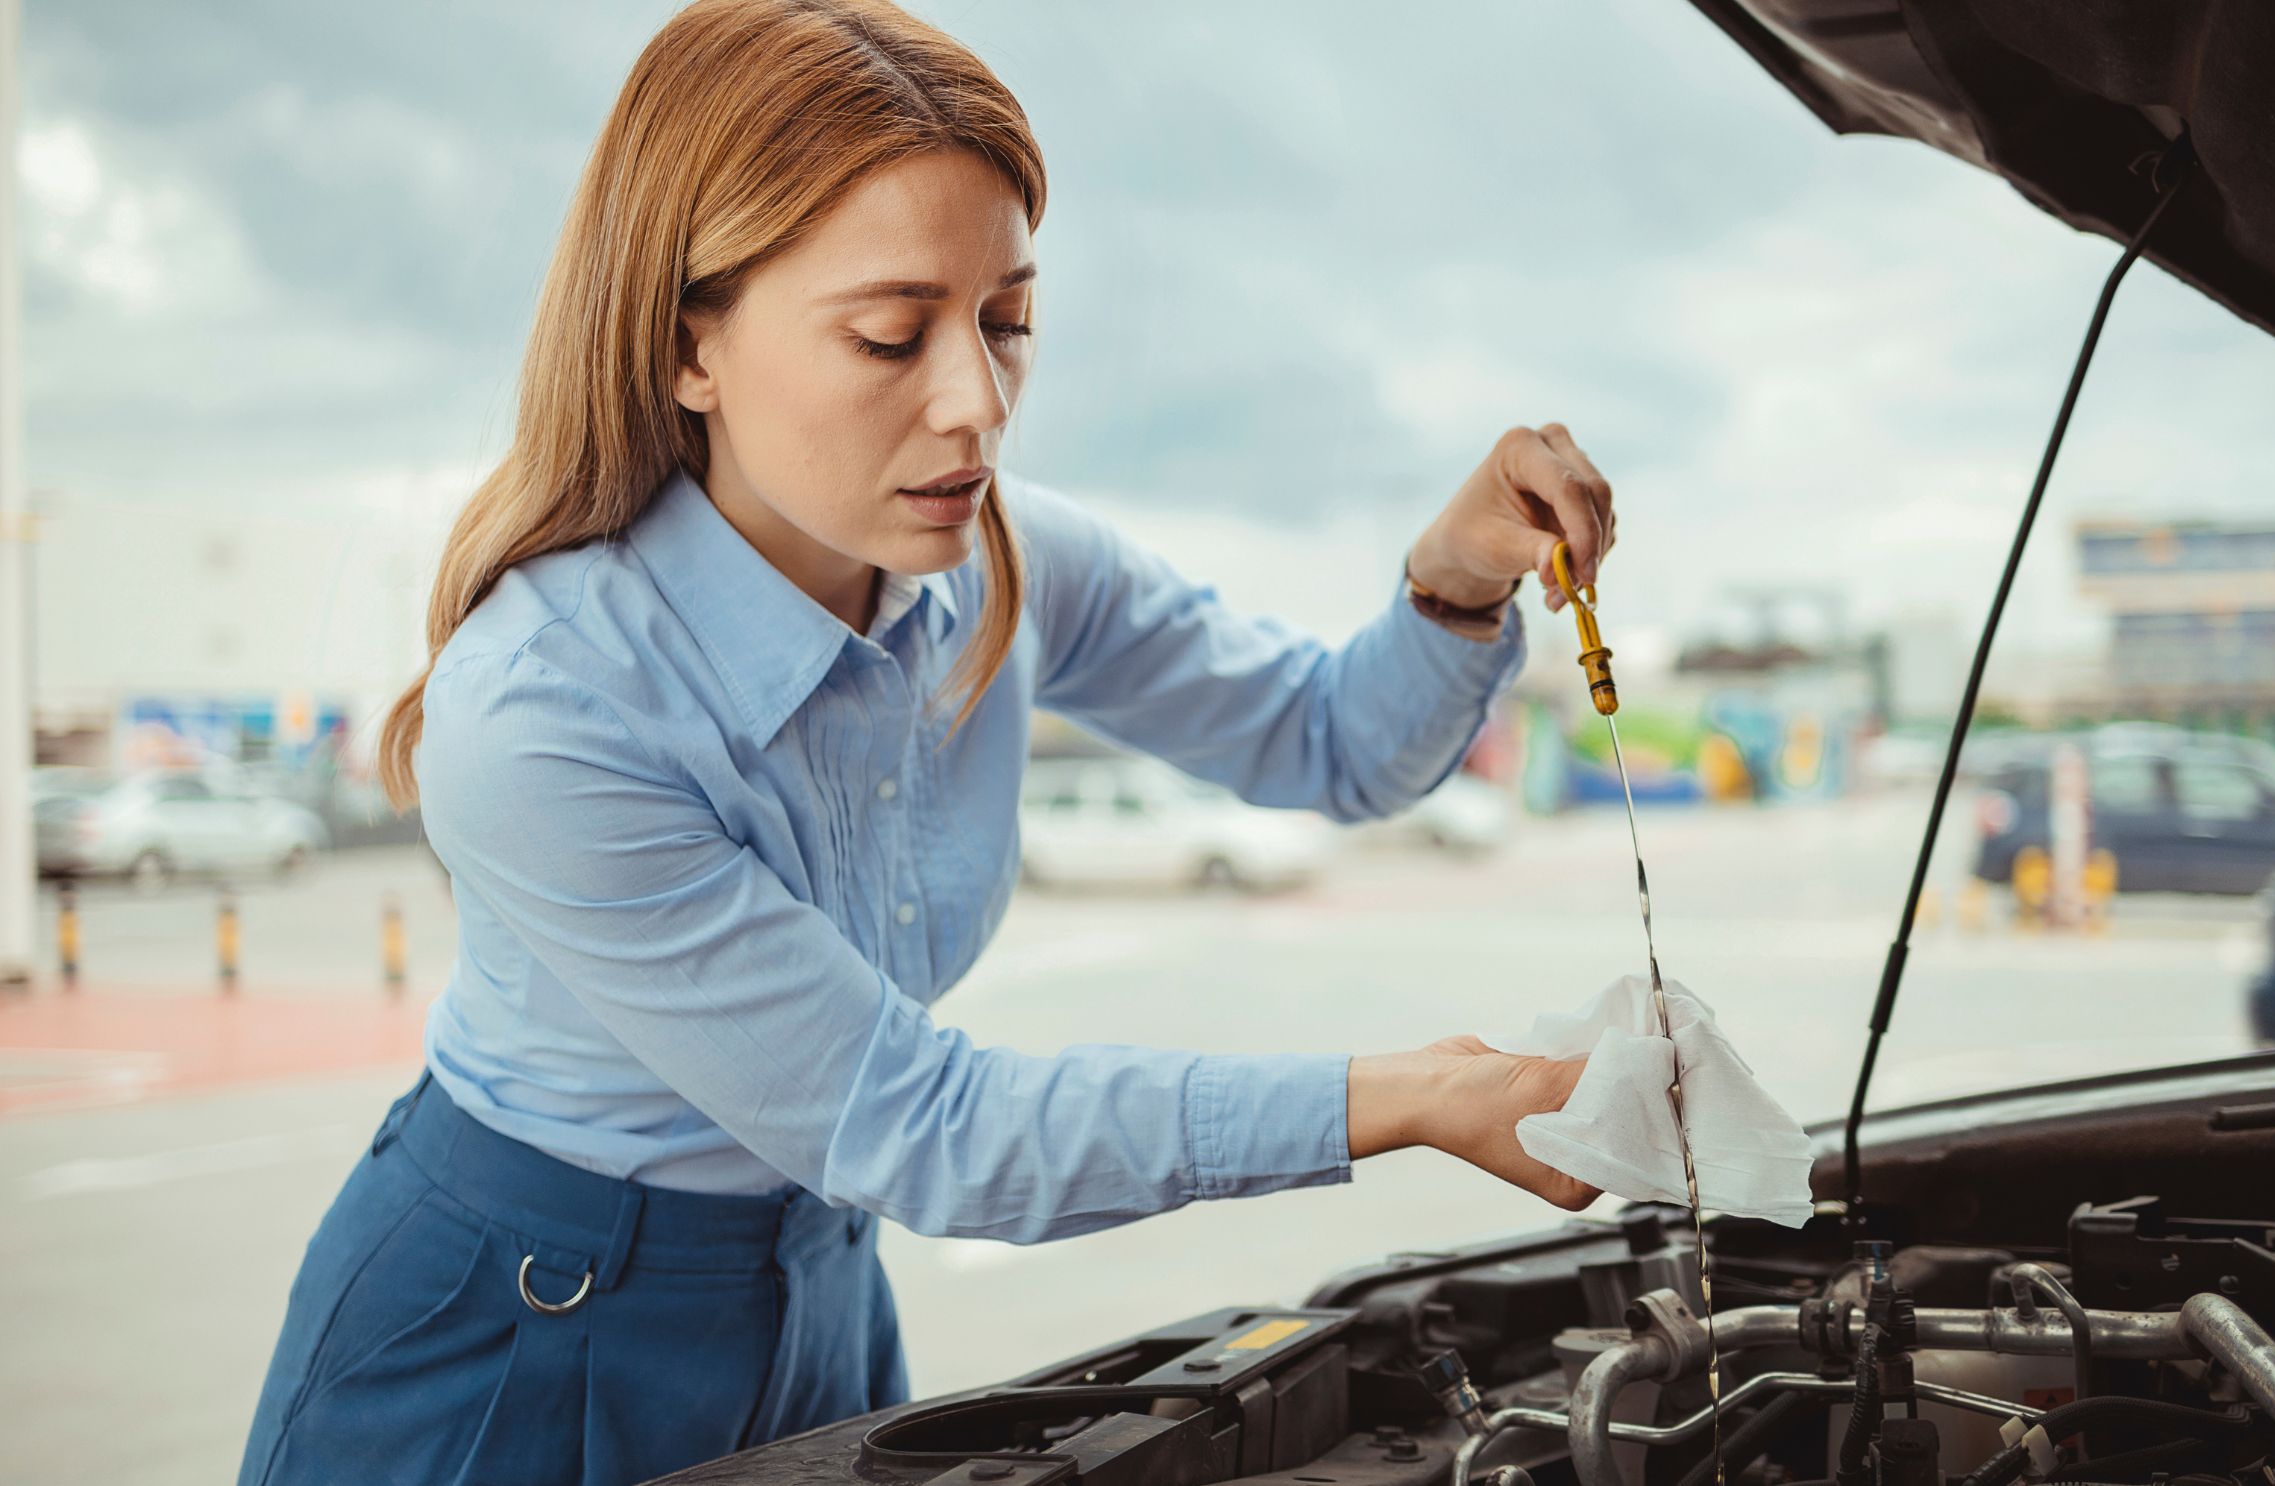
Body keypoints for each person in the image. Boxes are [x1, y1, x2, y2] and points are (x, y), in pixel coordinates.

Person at [239, 3, 1624, 1482]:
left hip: (820, 1296)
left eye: (1006, 320)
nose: (977, 403)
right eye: (892, 332)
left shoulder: (1005, 567)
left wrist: (1454, 575)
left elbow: (1332, 743)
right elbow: (924, 1124)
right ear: (684, 343)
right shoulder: (545, 711)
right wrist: (1411, 1091)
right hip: (513, 1343)